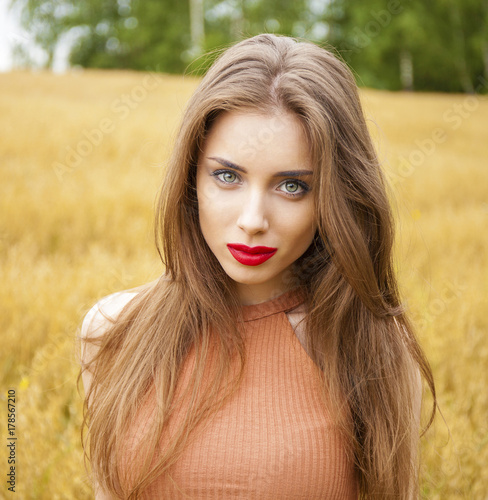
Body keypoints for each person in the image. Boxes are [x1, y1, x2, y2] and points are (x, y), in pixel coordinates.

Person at [79, 34, 436, 499]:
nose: (252, 221)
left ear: (335, 197)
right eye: (227, 176)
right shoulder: (110, 332)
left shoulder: (374, 345)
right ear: (191, 178)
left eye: (292, 187)